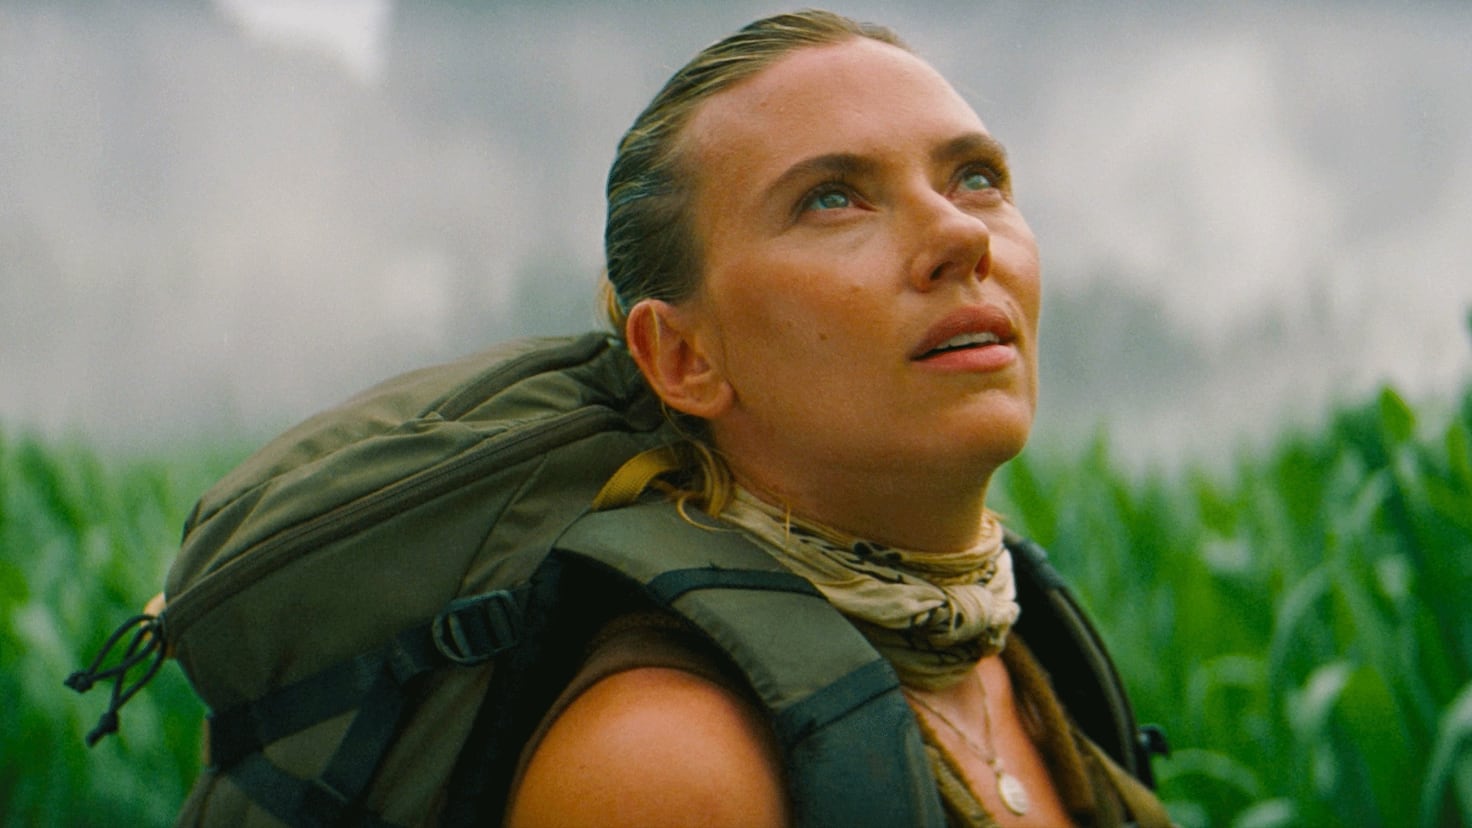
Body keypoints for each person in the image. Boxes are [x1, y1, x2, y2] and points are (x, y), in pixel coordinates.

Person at [503, 9, 1169, 828]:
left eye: (975, 178)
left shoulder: (1020, 657)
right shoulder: (665, 767)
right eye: (830, 199)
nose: (962, 234)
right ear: (683, 357)